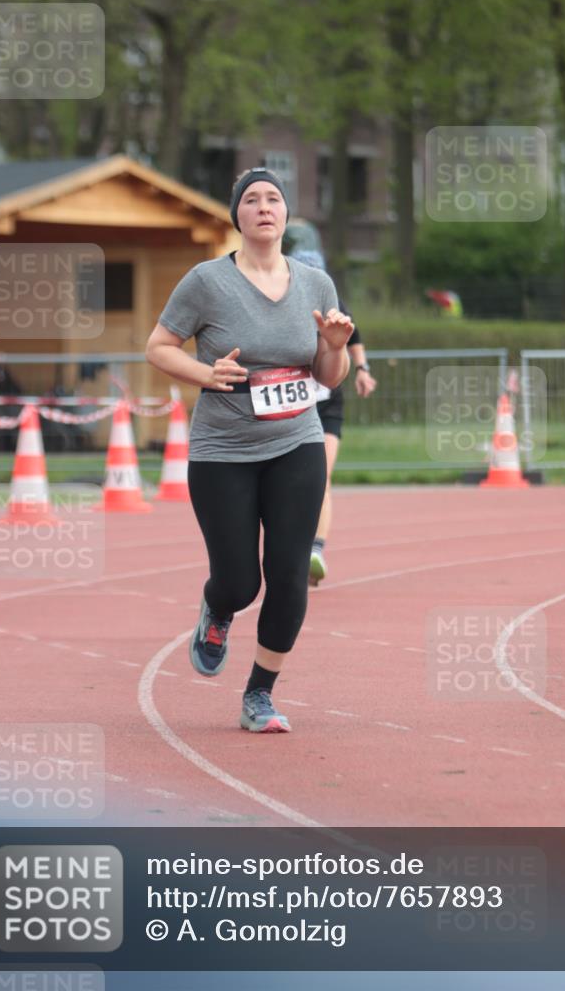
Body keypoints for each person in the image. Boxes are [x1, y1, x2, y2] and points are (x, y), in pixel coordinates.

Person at [146, 168, 353, 733]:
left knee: (289, 574)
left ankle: (259, 694)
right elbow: (159, 347)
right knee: (241, 582)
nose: (264, 206)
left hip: (296, 443)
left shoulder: (316, 284)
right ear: (236, 215)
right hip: (223, 450)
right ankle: (218, 609)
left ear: (286, 215)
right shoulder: (206, 281)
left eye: (274, 199)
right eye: (252, 199)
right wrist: (205, 373)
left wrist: (336, 348)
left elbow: (328, 376)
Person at [286, 250, 377, 586]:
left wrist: (363, 369)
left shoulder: (334, 304)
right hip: (290, 405)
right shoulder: (280, 305)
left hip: (326, 406)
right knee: (285, 484)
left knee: (321, 476)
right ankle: (289, 547)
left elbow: (355, 337)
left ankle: (316, 551)